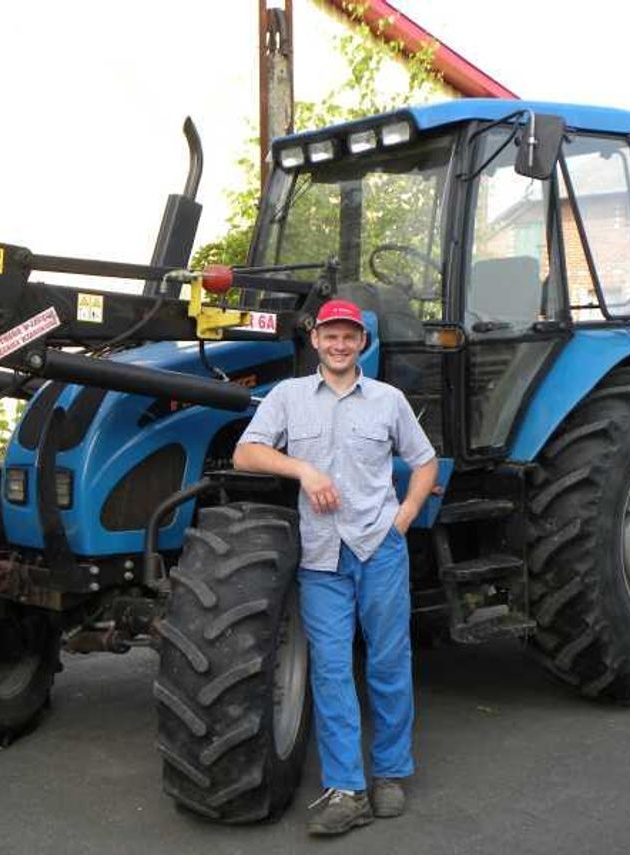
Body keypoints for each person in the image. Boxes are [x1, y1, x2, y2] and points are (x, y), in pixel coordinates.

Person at [232, 298, 438, 837]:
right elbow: (246, 453)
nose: (340, 344)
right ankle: (346, 788)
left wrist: (408, 513)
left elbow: (424, 460)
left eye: (350, 336)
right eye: (331, 336)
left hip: (379, 548)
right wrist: (301, 468)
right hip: (322, 556)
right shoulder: (288, 397)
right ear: (316, 340)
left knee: (389, 662)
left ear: (362, 343)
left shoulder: (388, 401)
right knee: (329, 669)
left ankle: (390, 772)